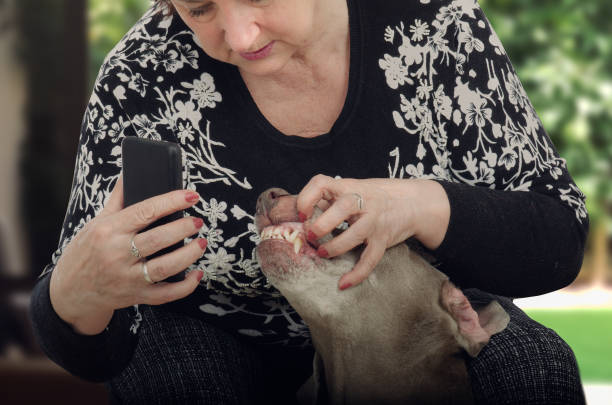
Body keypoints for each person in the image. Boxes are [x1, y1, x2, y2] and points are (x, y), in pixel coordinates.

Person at [30, 0, 588, 403]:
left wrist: (419, 204)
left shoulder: (439, 27)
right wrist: (72, 297)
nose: (241, 36)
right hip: (215, 340)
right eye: (200, 9)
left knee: (531, 370)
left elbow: (558, 238)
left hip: (412, 324)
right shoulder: (141, 78)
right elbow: (94, 346)